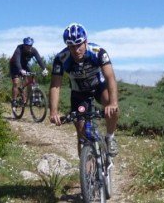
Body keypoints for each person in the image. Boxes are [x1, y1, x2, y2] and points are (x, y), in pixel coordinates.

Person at [48, 23, 119, 156]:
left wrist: (113, 103)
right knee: (81, 133)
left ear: (86, 41)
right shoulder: (61, 59)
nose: (76, 50)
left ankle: (110, 137)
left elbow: (110, 77)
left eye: (79, 44)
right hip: (79, 93)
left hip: (99, 87)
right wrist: (53, 112)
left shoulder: (98, 52)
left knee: (112, 108)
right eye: (71, 46)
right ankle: (87, 172)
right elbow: (55, 86)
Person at [10, 37, 47, 106]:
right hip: (14, 65)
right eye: (26, 45)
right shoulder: (19, 49)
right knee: (16, 82)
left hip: (24, 65)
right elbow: (17, 60)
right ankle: (14, 100)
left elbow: (39, 60)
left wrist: (44, 69)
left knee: (32, 81)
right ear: (24, 45)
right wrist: (20, 70)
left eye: (30, 45)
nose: (28, 47)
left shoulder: (33, 50)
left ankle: (29, 98)